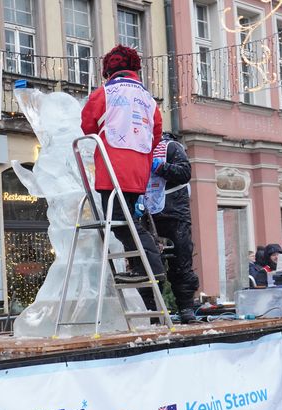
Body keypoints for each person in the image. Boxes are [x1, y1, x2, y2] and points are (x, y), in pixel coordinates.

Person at [81, 44, 165, 286]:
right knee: (128, 218)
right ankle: (143, 266)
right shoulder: (148, 99)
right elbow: (156, 134)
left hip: (112, 168)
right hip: (139, 169)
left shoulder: (104, 93)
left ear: (108, 71)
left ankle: (151, 266)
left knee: (119, 220)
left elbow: (87, 126)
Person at [144, 132, 200, 324]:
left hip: (174, 212)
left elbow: (185, 173)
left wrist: (161, 167)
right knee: (147, 264)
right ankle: (152, 312)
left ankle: (185, 308)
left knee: (181, 261)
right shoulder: (139, 148)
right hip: (147, 213)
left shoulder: (170, 147)